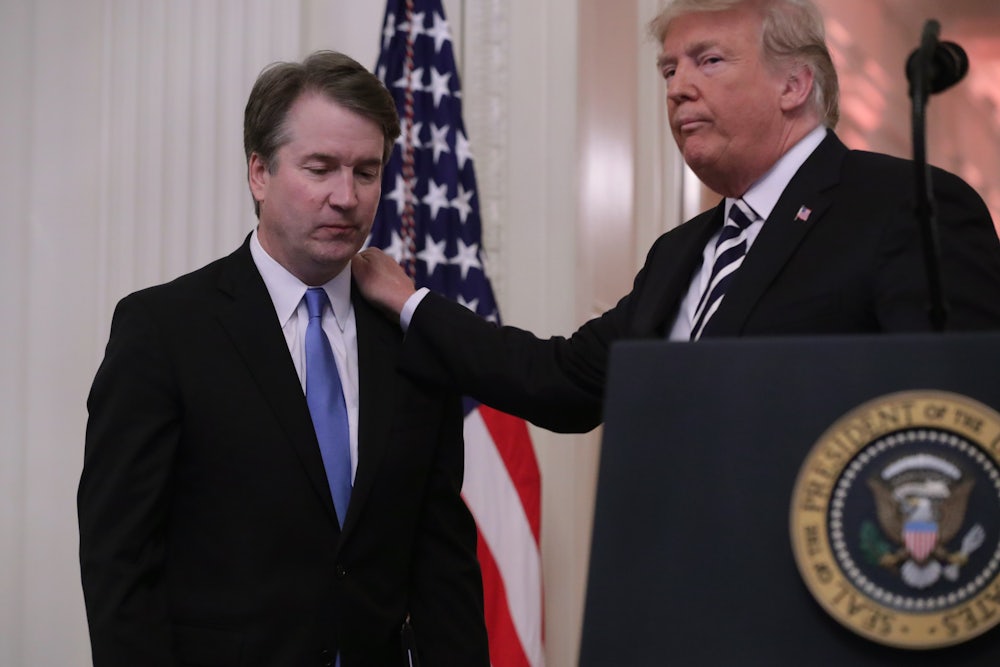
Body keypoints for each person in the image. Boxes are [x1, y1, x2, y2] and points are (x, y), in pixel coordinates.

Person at [351, 0, 1000, 433]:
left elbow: (960, 418)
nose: (677, 86)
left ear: (794, 84)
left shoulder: (905, 206)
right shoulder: (681, 250)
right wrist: (412, 303)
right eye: (669, 68)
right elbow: (565, 381)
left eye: (708, 61)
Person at [78, 51, 489, 667]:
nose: (346, 197)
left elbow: (443, 563)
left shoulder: (409, 337)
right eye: (320, 168)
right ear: (259, 173)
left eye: (367, 171)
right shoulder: (164, 330)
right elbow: (120, 563)